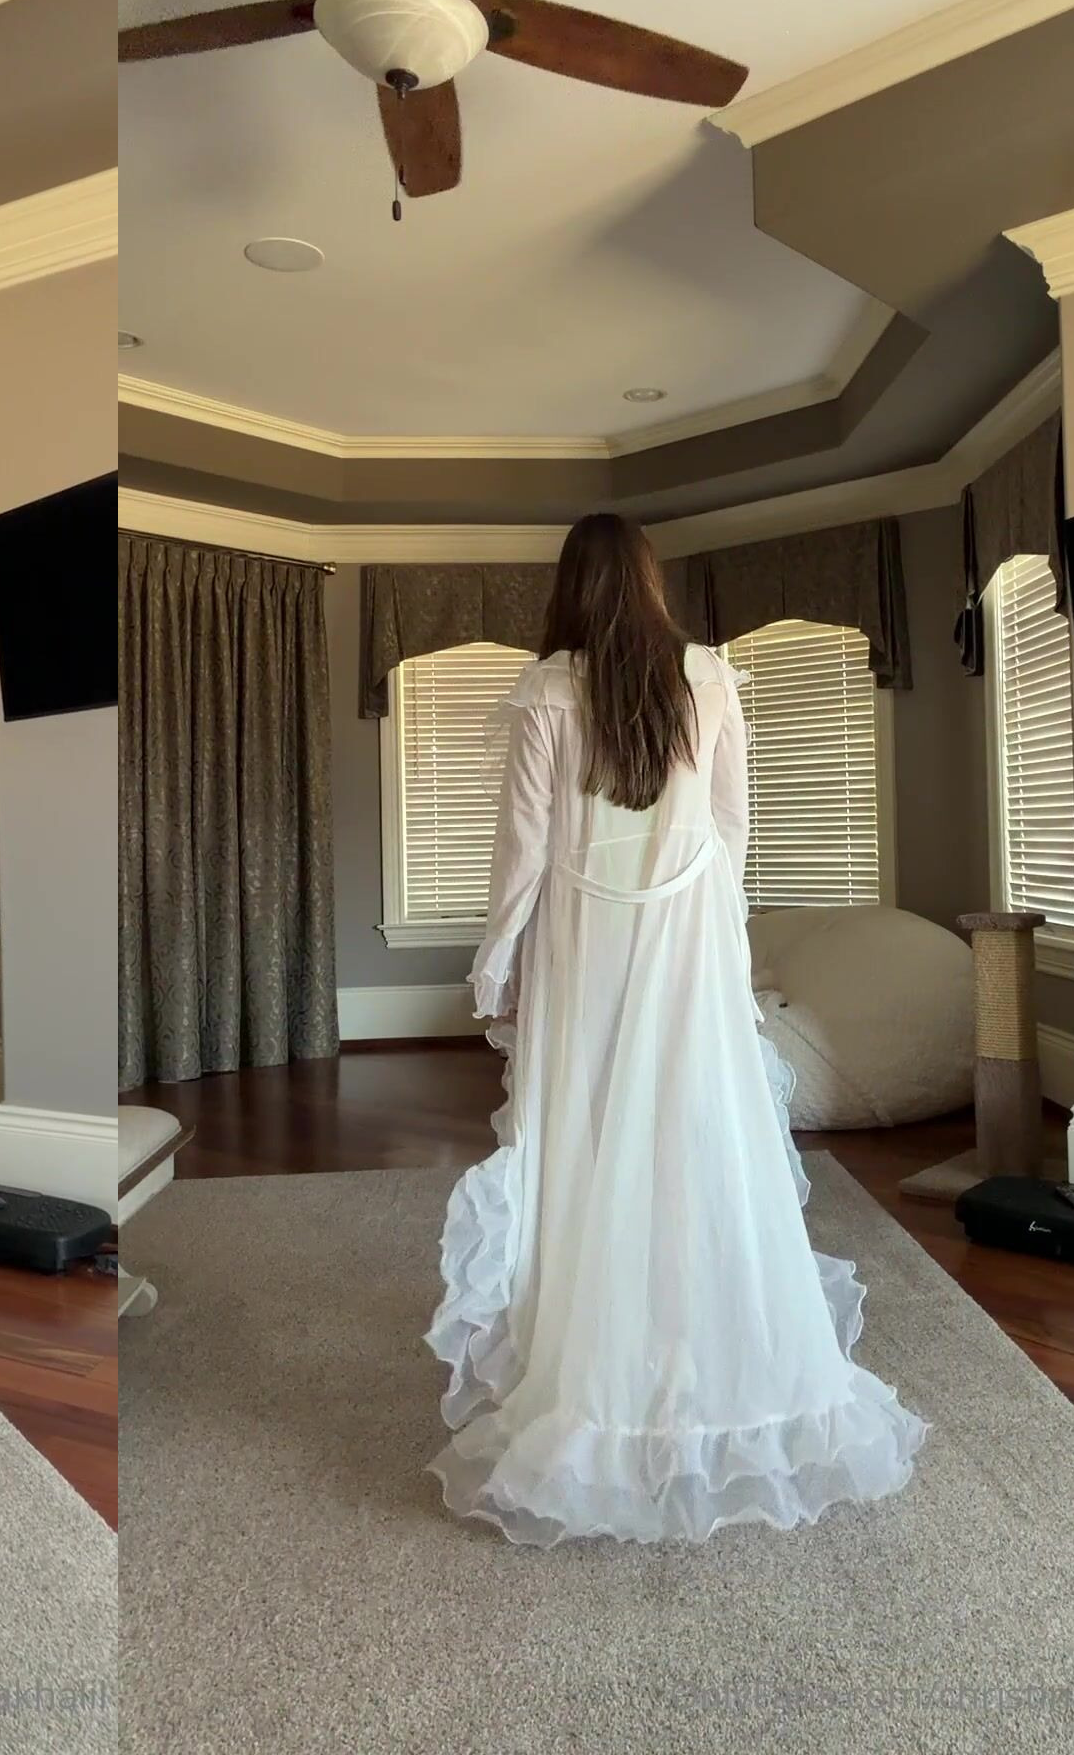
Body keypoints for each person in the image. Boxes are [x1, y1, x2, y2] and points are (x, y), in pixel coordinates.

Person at [423, 513, 928, 1545]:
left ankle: (596, 1353)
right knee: (697, 1137)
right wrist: (718, 940)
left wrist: (497, 963)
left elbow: (523, 850)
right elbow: (731, 829)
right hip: (686, 938)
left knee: (588, 1136)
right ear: (650, 584)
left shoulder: (548, 689)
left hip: (585, 944)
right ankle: (709, 1336)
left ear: (571, 587)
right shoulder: (709, 677)